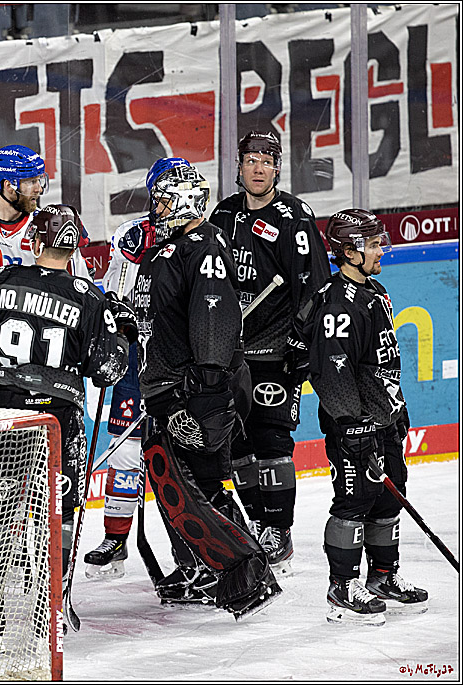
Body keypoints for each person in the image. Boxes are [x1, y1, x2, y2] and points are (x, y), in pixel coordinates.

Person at [0, 204, 134, 640]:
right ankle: (54, 605)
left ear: (34, 243)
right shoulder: (89, 296)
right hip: (58, 415)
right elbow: (106, 371)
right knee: (60, 510)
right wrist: (122, 335)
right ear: (74, 248)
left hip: (3, 411)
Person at [130, 160, 281, 619]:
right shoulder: (169, 248)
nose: (155, 207)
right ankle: (200, 567)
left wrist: (208, 393)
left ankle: (247, 576)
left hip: (195, 390)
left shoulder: (204, 245)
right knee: (174, 484)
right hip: (167, 387)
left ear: (185, 199)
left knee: (203, 484)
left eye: (162, 198)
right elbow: (160, 316)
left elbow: (212, 322)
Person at [296, 209, 427, 625]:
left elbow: (384, 362)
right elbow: (332, 369)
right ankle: (342, 586)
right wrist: (352, 423)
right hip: (354, 424)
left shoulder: (375, 291)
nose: (379, 252)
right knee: (354, 501)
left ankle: (383, 577)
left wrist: (398, 407)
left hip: (383, 418)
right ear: (348, 251)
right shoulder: (338, 303)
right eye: (371, 245)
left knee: (390, 495)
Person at [208, 131, 329, 576]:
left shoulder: (294, 217)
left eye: (267, 161)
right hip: (230, 352)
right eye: (250, 160)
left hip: (275, 350)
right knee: (236, 445)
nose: (258, 168)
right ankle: (258, 522)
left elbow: (314, 287)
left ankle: (279, 530)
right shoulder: (223, 214)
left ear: (278, 167)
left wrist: (300, 343)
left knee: (272, 441)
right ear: (238, 165)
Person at [83, 158, 186, 578]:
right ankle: (116, 537)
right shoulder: (132, 237)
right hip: (136, 360)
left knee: (181, 459)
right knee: (125, 452)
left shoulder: (201, 237)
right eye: (165, 192)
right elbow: (115, 296)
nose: (172, 200)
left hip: (181, 361)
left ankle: (193, 550)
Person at [0, 145, 92, 279]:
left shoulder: (49, 229)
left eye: (39, 180)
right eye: (31, 182)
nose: (39, 189)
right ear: (8, 186)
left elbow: (80, 285)